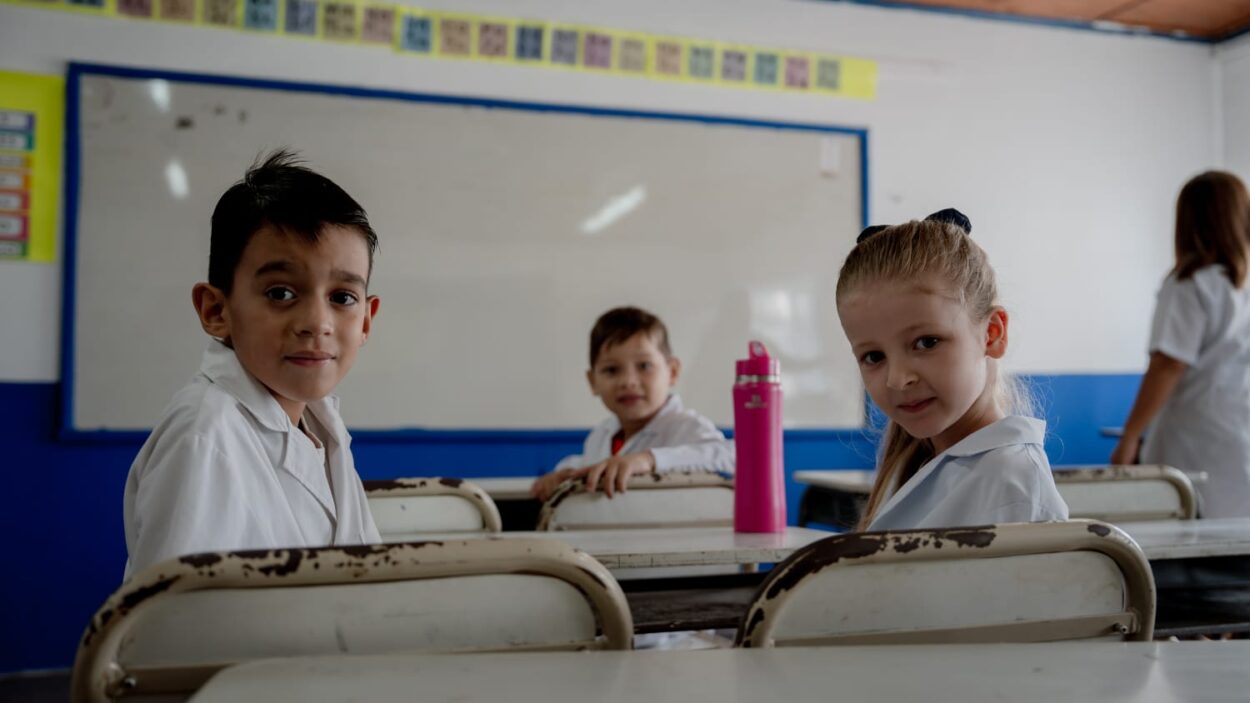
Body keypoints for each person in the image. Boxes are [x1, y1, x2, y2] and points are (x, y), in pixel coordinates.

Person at [123, 150, 382, 577]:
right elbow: (171, 625)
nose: (317, 324)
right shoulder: (204, 436)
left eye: (342, 298)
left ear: (367, 320)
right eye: (281, 293)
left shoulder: (318, 421)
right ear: (215, 310)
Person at [836, 209, 1067, 530]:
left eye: (927, 342)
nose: (898, 379)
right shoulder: (916, 462)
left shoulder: (1016, 492)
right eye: (874, 357)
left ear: (992, 333)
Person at [1112, 171, 1250, 518]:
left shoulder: (1190, 285)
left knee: (1191, 539)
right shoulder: (1239, 288)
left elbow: (1169, 364)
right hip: (1238, 434)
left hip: (1195, 442)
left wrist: (1131, 435)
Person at [530, 306, 733, 501]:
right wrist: (563, 475)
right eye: (611, 370)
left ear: (672, 372)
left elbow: (731, 456)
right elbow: (588, 464)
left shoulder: (687, 427)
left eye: (644, 366)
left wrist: (649, 460)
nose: (628, 381)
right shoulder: (602, 433)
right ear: (593, 382)